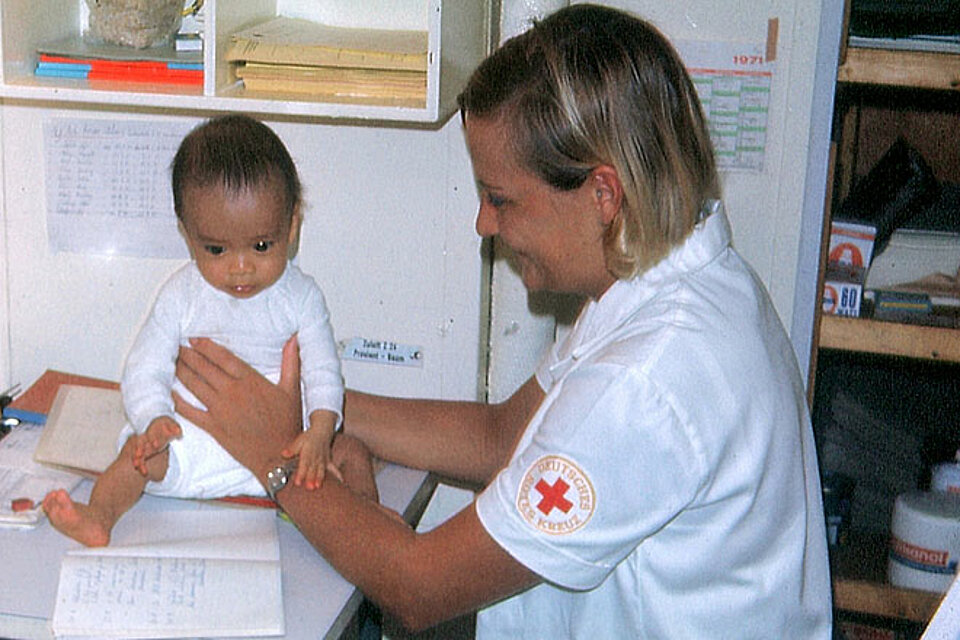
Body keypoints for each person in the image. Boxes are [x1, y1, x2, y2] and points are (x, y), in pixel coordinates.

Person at [173, 5, 832, 638]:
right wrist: (310, 404)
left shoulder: (646, 380)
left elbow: (418, 586)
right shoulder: (670, 278)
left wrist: (274, 454)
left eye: (500, 199)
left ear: (604, 194)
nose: (484, 225)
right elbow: (501, 437)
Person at [42, 114, 346, 547]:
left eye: (261, 246)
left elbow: (323, 373)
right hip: (185, 446)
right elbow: (144, 368)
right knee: (135, 457)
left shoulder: (302, 298)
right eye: (216, 249)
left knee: (344, 459)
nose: (240, 266)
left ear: (292, 225)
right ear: (187, 234)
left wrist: (319, 431)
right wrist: (154, 420)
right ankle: (100, 515)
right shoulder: (181, 295)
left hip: (275, 453)